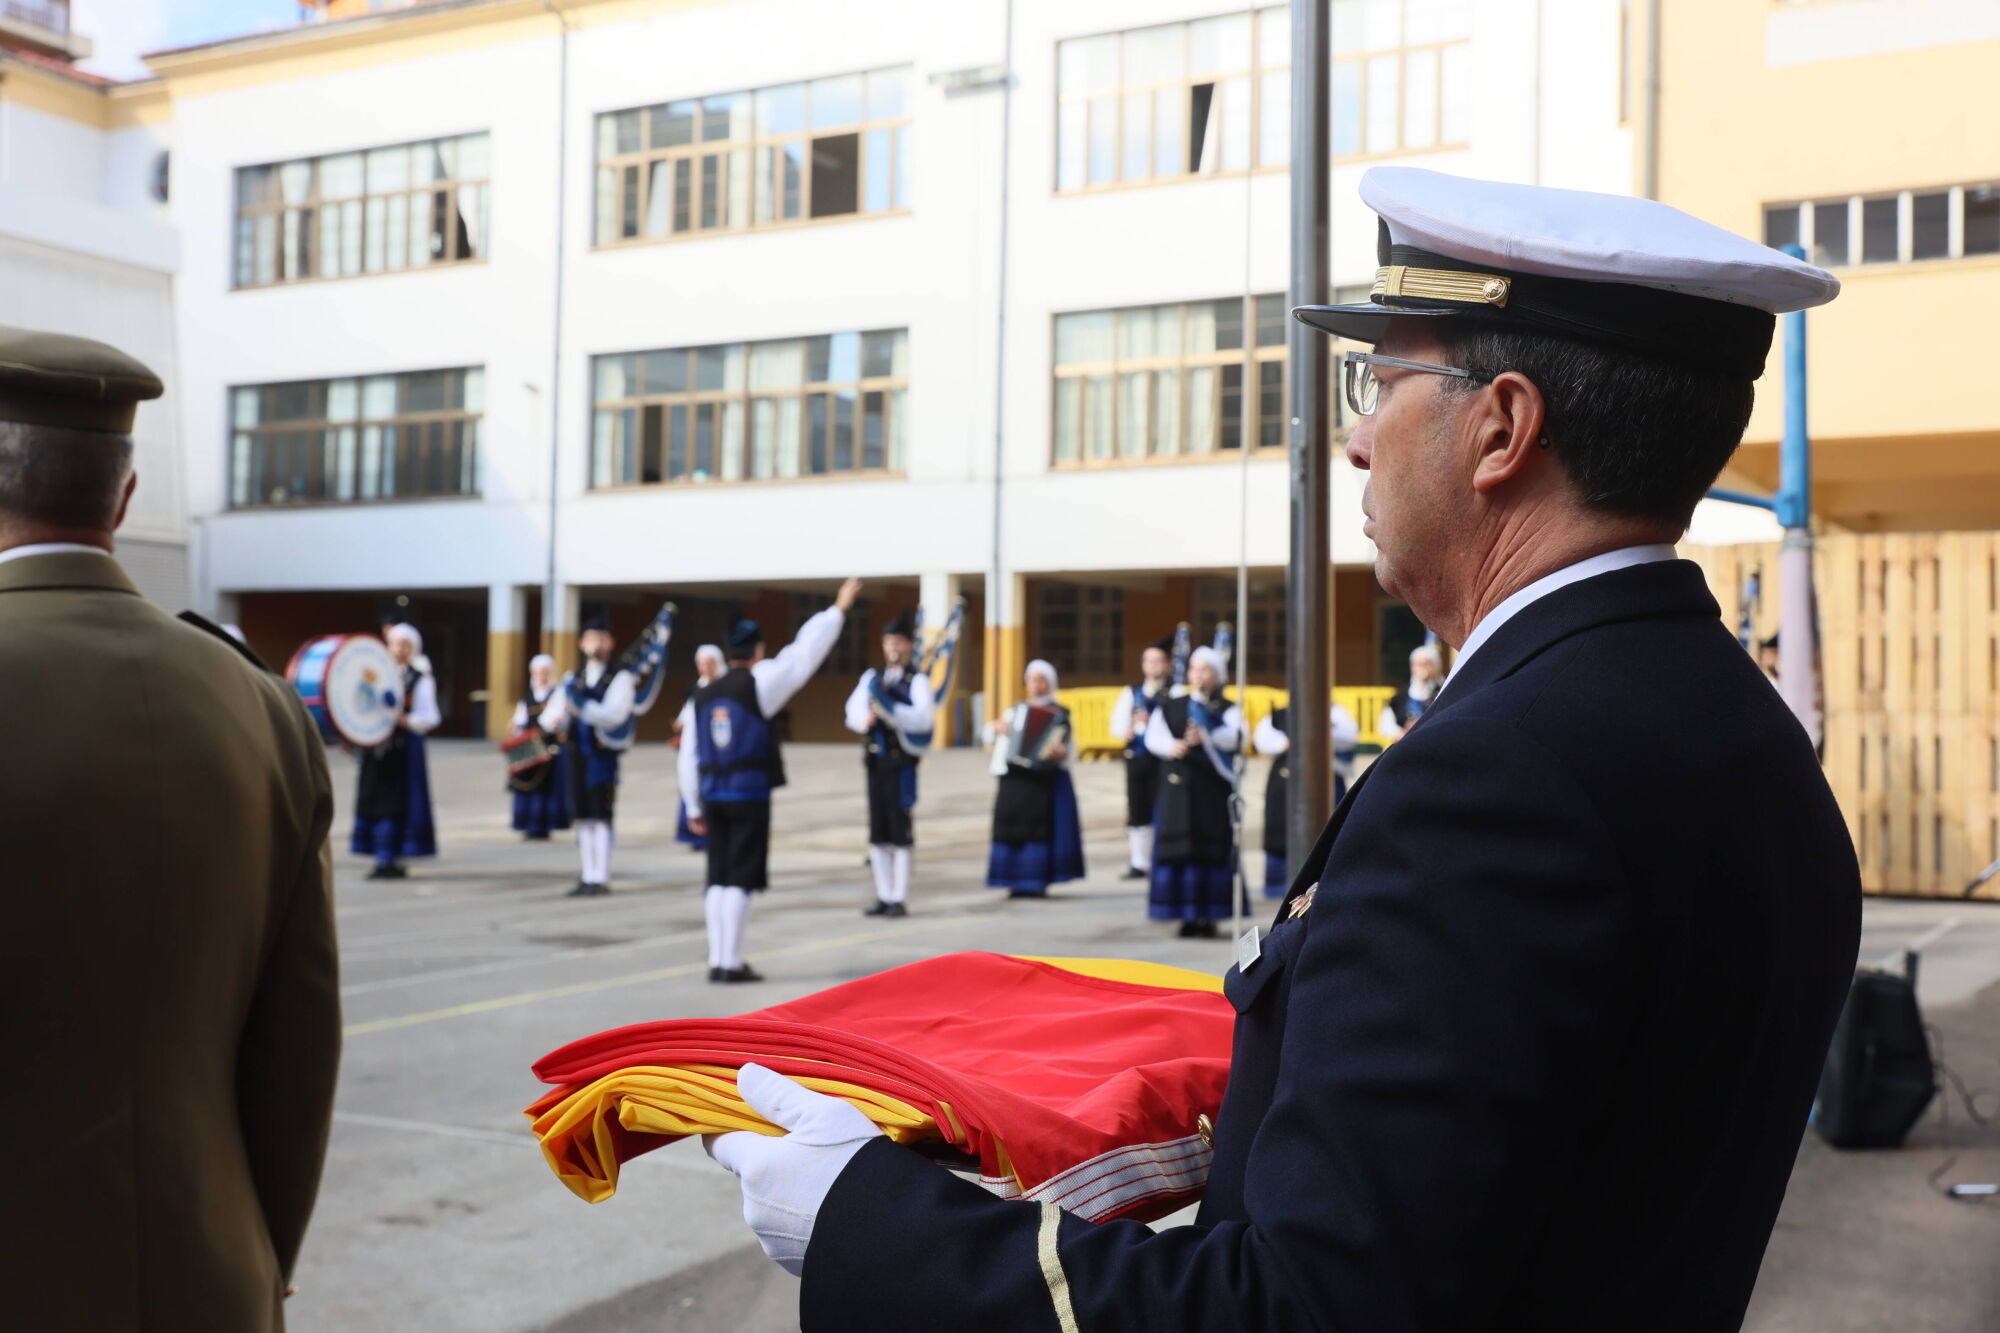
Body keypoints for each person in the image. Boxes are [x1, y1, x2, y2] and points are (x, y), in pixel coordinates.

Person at [703, 167, 1864, 1330]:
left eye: (1381, 381)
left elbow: (1303, 1308)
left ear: (1500, 429)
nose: (1357, 440)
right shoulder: (1734, 731)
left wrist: (865, 1218)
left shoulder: (1499, 783)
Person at [0, 323, 339, 1328]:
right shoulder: (261, 704)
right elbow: (298, 1043)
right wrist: (252, 1259)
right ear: (125, 495)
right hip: (211, 1272)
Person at [680, 580, 861, 982]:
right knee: (741, 876)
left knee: (717, 875)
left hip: (711, 794)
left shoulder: (704, 694)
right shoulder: (760, 683)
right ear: (758, 652)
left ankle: (717, 959)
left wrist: (692, 804)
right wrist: (838, 610)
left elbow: (688, 754)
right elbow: (803, 654)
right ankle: (731, 961)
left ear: (727, 654)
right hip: (747, 792)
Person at [1144, 645, 1244, 938]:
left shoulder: (1227, 708)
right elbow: (1154, 735)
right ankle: (1184, 915)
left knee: (1208, 850)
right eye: (1194, 669)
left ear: (1217, 675)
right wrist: (1171, 746)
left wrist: (1208, 734)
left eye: (1205, 669)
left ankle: (1209, 916)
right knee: (1180, 851)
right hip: (1178, 789)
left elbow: (1238, 737)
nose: (1198, 675)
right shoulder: (1175, 704)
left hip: (1211, 791)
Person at [843, 608, 937, 917]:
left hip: (902, 764)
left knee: (900, 830)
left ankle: (899, 896)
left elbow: (923, 718)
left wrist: (891, 713)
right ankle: (883, 895)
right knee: (878, 831)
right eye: (887, 642)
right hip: (875, 763)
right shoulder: (873, 678)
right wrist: (866, 719)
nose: (892, 648)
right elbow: (852, 712)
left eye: (898, 641)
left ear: (910, 645)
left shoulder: (917, 680)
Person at [540, 615, 634, 897]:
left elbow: (614, 715)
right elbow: (552, 713)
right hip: (576, 755)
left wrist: (582, 709)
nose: (597, 644)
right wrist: (556, 721)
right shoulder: (572, 679)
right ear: (582, 643)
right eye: (592, 638)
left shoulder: (620, 678)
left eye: (602, 639)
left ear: (611, 643)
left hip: (601, 756)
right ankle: (587, 873)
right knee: (582, 816)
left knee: (601, 815)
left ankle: (600, 876)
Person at [983, 660, 1085, 899]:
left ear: (1050, 684)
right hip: (1015, 779)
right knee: (1012, 828)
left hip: (1042, 780)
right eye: (1032, 680)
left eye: (1041, 680)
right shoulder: (1015, 711)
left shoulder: (1060, 715)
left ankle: (1036, 881)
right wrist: (995, 728)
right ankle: (1012, 879)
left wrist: (1061, 754)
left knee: (1039, 829)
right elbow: (990, 731)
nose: (1036, 685)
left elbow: (1071, 749)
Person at [349, 622, 440, 879]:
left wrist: (406, 721)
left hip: (404, 749)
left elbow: (430, 716)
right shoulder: (375, 674)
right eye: (395, 644)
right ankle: (381, 857)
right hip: (376, 749)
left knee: (397, 803)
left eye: (405, 645)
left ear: (413, 649)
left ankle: (390, 858)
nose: (399, 649)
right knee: (374, 800)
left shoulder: (420, 679)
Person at [1253, 700, 1360, 897]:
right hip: (1285, 779)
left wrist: (1314, 735)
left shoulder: (1335, 712)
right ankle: (1280, 888)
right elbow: (1261, 738)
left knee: (1326, 833)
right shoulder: (1280, 714)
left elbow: (1349, 735)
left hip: (1325, 778)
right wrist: (1286, 742)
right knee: (1282, 828)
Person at [1107, 636, 1173, 880]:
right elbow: (1115, 724)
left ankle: (1161, 855)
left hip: (1165, 760)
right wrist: (1127, 729)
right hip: (1138, 758)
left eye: (1158, 661)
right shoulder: (1131, 693)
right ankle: (1139, 862)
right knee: (1137, 807)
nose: (1153, 665)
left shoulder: (1174, 691)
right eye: (1148, 660)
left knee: (1165, 807)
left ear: (1167, 664)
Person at [509, 653, 572, 841]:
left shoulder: (558, 695)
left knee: (547, 786)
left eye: (545, 672)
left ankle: (544, 826)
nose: (541, 676)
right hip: (529, 746)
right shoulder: (527, 698)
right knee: (527, 786)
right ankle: (528, 825)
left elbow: (561, 721)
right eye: (537, 672)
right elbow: (518, 721)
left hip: (549, 745)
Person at [674, 644, 725, 852]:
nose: (705, 668)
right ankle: (696, 835)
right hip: (697, 749)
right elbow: (686, 717)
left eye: (709, 663)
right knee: (692, 788)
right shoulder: (697, 689)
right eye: (701, 664)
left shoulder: (725, 686)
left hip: (718, 750)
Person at [1378, 642, 1444, 742]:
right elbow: (1386, 724)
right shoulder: (1401, 695)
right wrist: (1401, 733)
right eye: (1418, 664)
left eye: (1427, 664)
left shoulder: (1443, 691)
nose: (1422, 668)